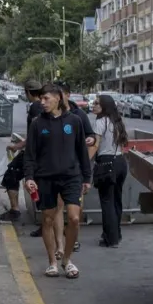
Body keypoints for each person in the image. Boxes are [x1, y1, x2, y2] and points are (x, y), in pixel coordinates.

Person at [23, 84, 91, 279]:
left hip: (71, 177)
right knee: (47, 219)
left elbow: (81, 152)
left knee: (75, 219)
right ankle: (52, 262)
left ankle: (67, 260)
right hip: (45, 178)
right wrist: (29, 178)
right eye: (41, 99)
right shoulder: (37, 123)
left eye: (46, 99)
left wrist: (86, 177)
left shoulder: (75, 121)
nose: (42, 102)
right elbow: (30, 155)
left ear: (58, 99)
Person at [46, 81, 95, 252]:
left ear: (66, 95)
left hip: (76, 171)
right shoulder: (46, 117)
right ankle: (60, 244)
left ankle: (72, 239)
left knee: (74, 213)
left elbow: (91, 136)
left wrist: (91, 140)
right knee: (58, 208)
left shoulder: (78, 116)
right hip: (56, 170)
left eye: (59, 95)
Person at [0, 79, 44, 222]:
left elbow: (35, 134)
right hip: (42, 152)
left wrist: (18, 146)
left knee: (11, 175)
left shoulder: (36, 107)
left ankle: (15, 210)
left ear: (28, 92)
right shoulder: (42, 106)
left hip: (33, 154)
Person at [90, 95, 128, 248]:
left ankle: (110, 239)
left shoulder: (100, 122)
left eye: (97, 103)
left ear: (104, 106)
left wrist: (85, 162)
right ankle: (116, 235)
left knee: (107, 202)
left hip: (106, 163)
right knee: (116, 201)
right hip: (120, 163)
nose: (93, 105)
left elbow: (95, 146)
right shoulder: (116, 122)